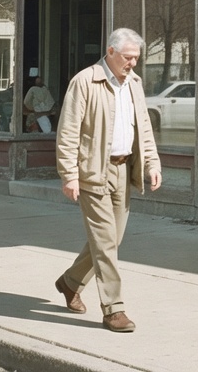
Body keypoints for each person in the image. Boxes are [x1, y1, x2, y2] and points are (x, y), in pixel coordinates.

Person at [53, 28, 162, 333]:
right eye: (128, 58)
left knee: (111, 241)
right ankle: (113, 309)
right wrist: (70, 175)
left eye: (136, 58)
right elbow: (68, 132)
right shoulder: (85, 81)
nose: (133, 64)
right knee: (105, 243)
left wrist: (152, 163)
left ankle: (70, 281)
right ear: (111, 53)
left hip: (124, 170)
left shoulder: (135, 84)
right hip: (92, 172)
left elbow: (144, 128)